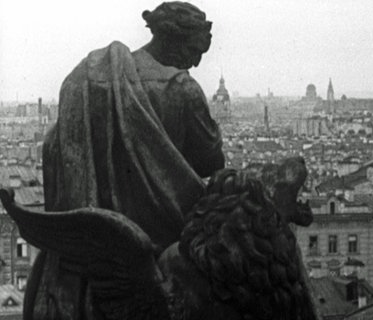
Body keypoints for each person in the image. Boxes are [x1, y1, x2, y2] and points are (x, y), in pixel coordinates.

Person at [26, 2, 224, 319]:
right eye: (194, 51)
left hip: (91, 249)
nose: (196, 63)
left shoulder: (90, 77)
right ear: (174, 40)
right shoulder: (182, 88)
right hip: (161, 249)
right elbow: (212, 163)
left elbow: (55, 147)